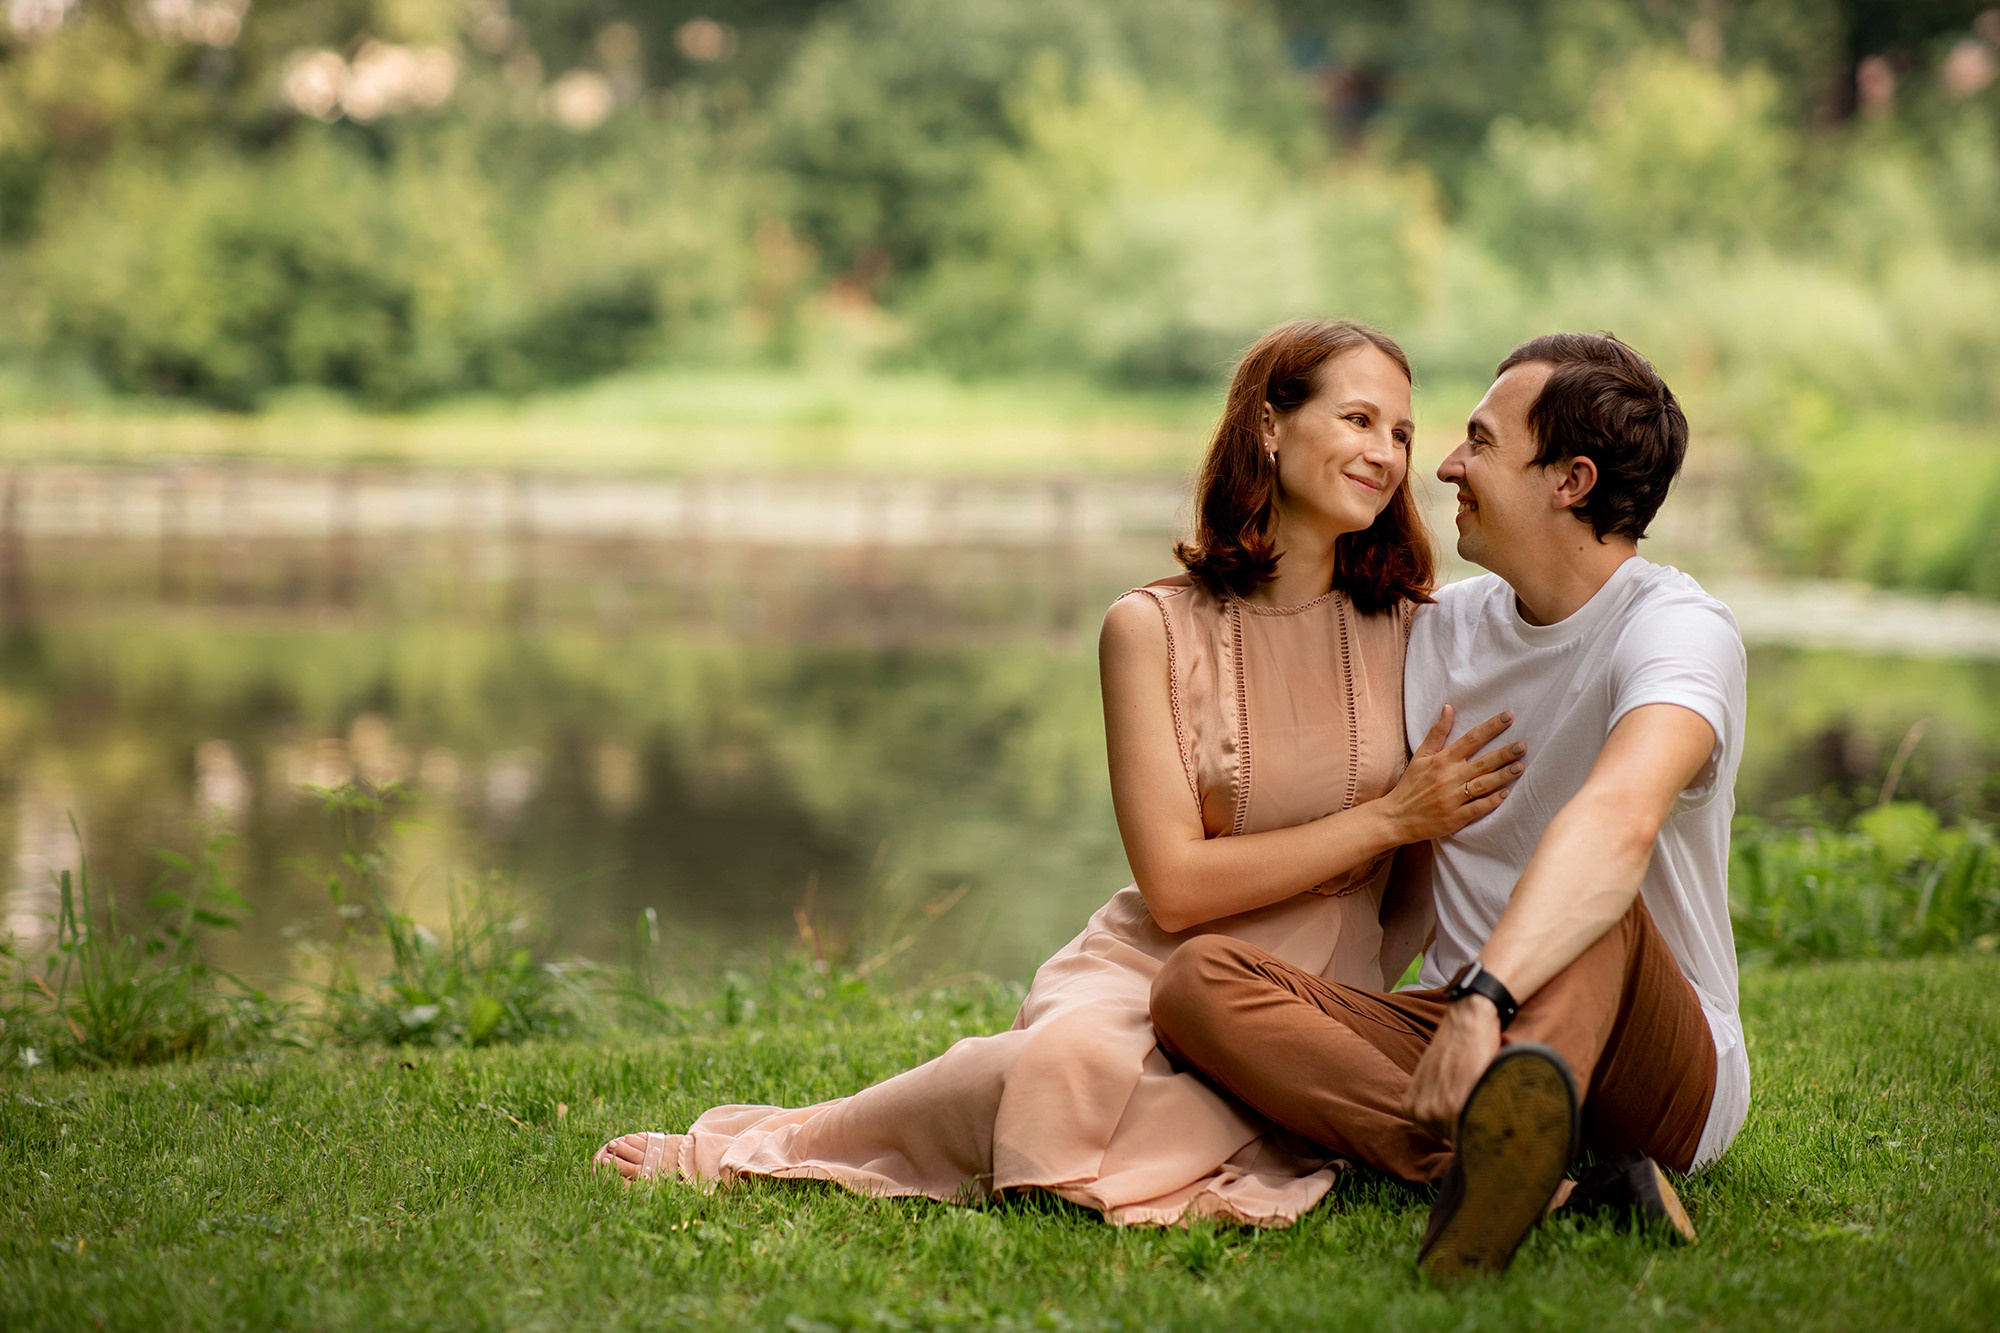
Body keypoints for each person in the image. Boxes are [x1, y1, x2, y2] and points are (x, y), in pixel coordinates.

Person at [592, 319, 1523, 1226]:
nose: (1387, 454)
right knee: (1060, 1066)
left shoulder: (1419, 629)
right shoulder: (1149, 629)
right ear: (1270, 425)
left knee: (1175, 1109)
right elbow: (1175, 885)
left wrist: (1357, 983)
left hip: (1308, 991)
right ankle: (772, 1145)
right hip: (1153, 960)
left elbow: (1427, 874)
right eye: (1358, 420)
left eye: (1402, 433)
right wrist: (1386, 820)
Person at [1149, 332, 1746, 1278]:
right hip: (1467, 1026)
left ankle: (1518, 1135)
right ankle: (1546, 1185)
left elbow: (1618, 820)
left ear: (1571, 481)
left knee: (1598, 903)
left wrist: (1482, 997)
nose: (1443, 465)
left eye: (1480, 441)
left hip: (1653, 1061)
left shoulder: (1677, 631)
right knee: (1198, 980)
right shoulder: (1442, 630)